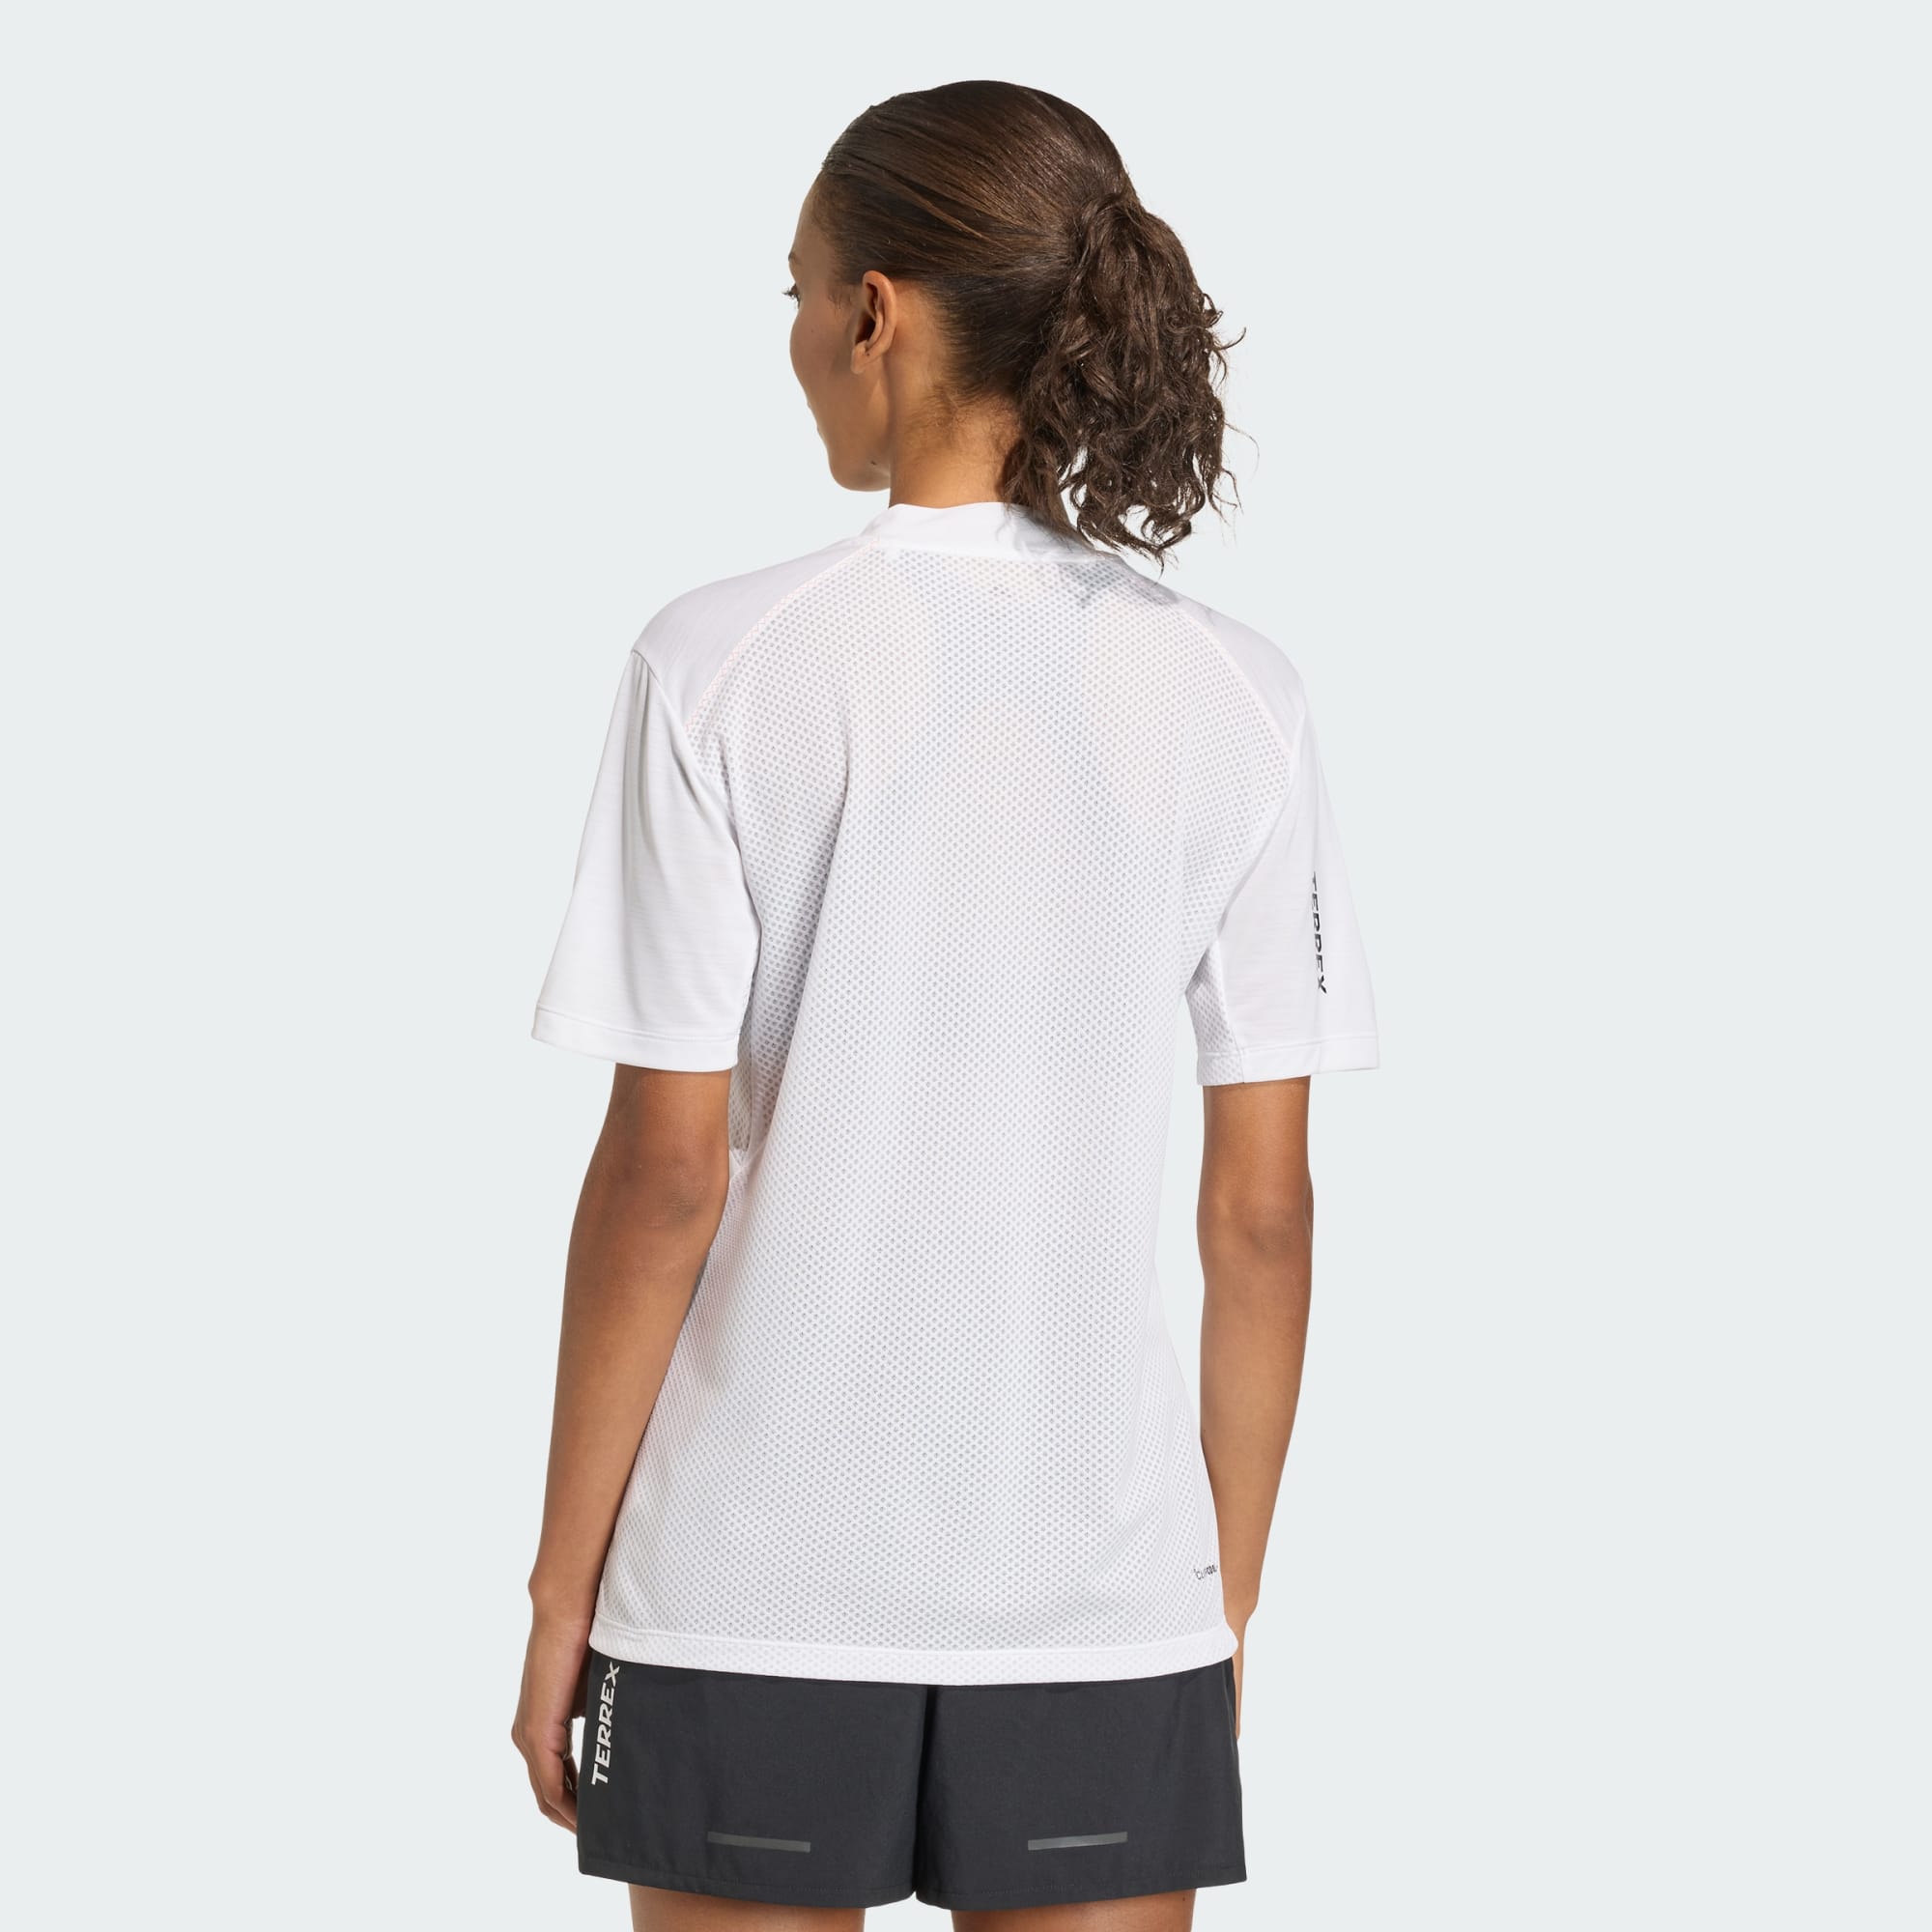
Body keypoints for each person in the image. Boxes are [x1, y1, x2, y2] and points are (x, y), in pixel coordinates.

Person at [512, 78, 1378, 1932]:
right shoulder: (1237, 696)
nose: (796, 342)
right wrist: (1213, 1604)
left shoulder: (717, 665)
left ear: (875, 313)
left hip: (743, 1594)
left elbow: (664, 1184)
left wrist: (558, 1592)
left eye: (797, 292)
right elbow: (1263, 1215)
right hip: (1101, 1601)